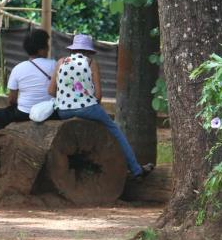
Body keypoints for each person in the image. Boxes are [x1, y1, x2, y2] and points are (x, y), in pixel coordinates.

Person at [48, 34, 154, 179]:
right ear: (89, 51)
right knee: (115, 130)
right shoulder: (91, 63)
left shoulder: (60, 62)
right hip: (89, 108)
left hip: (63, 111)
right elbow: (98, 96)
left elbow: (51, 91)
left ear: (73, 50)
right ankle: (136, 170)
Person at [0, 29, 58, 131]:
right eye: (46, 45)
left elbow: (12, 99)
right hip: (50, 113)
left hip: (24, 114)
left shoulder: (18, 68)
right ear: (41, 49)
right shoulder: (55, 65)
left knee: (0, 115)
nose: (48, 48)